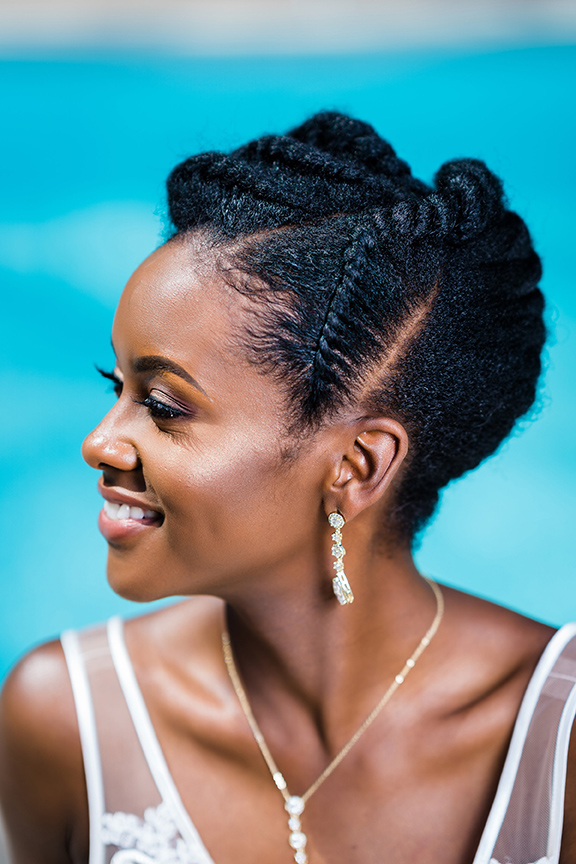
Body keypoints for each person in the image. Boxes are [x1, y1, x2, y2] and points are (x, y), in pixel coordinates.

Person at [0, 110, 574, 864]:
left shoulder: (556, 736)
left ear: (357, 465)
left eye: (165, 407)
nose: (100, 442)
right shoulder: (63, 716)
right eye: (116, 385)